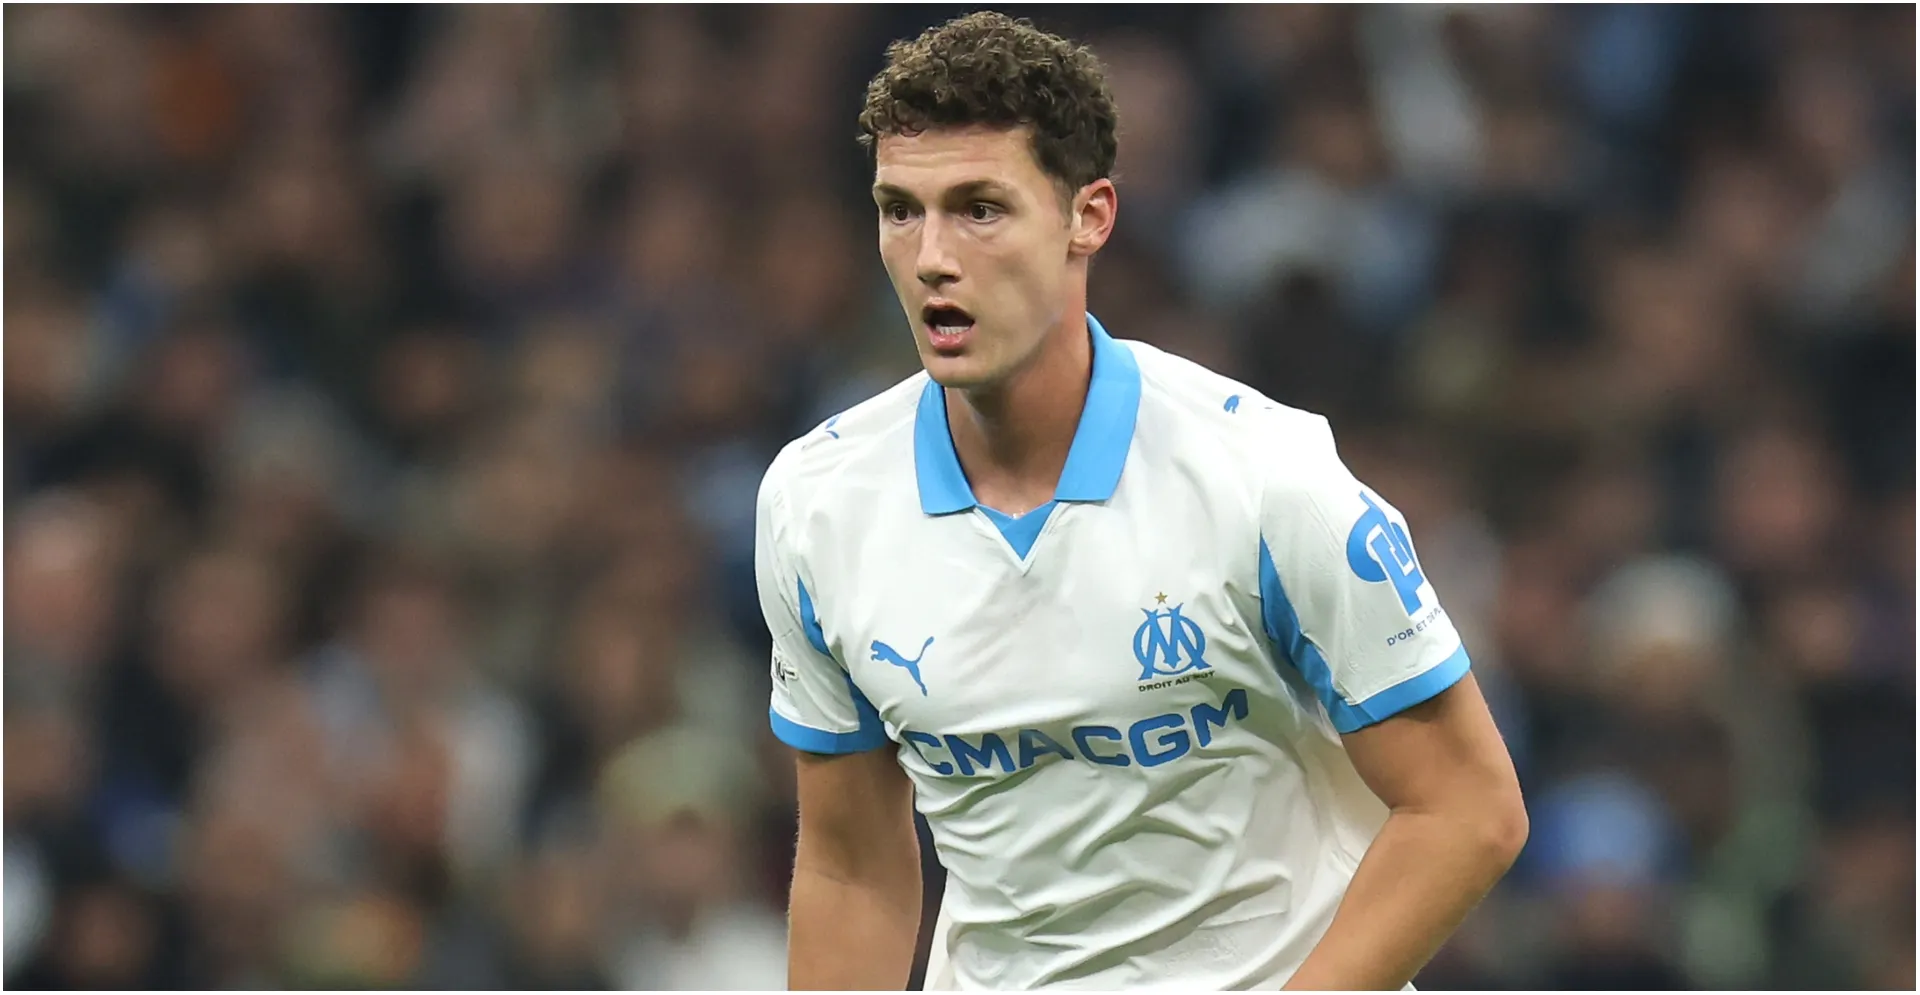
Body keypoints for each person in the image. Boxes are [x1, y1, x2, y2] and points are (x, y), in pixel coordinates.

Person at [754, 11, 1527, 991]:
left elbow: (1468, 808)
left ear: (1090, 216)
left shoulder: (1267, 481)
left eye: (980, 208)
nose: (932, 256)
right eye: (901, 209)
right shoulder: (816, 503)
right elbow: (851, 863)